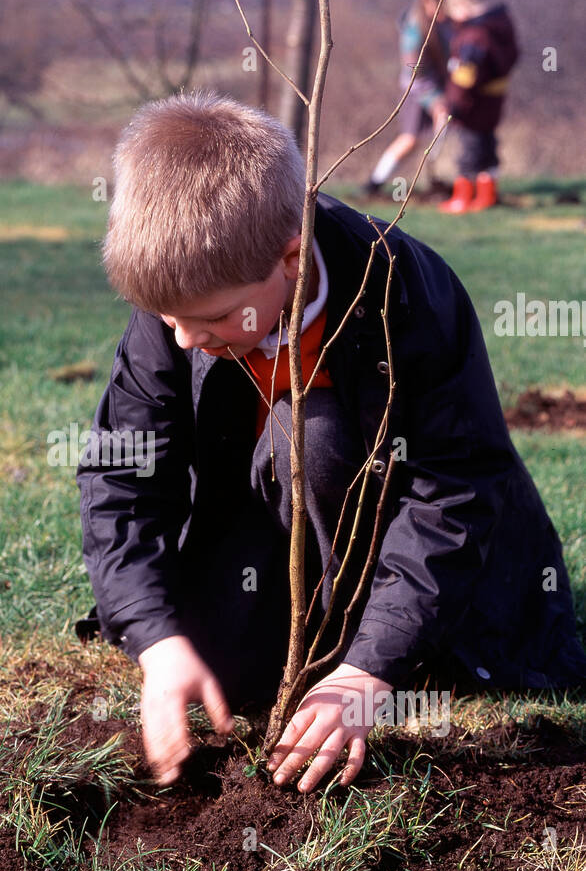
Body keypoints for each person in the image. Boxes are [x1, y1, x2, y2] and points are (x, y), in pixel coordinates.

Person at [75, 90, 586, 791]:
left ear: (291, 259)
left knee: (304, 436)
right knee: (220, 672)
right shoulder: (181, 309)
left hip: (380, 531)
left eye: (215, 318)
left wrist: (370, 668)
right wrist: (156, 640)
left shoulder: (406, 294)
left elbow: (456, 488)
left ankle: (356, 638)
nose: (186, 340)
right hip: (259, 535)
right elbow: (120, 474)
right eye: (168, 320)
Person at [362, 0, 450, 200]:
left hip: (439, 87)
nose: (446, 11)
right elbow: (415, 76)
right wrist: (435, 101)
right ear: (427, 1)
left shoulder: (441, 23)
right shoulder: (414, 31)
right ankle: (374, 184)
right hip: (416, 91)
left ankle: (434, 182)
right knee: (410, 139)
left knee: (441, 133)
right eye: (441, 6)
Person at [437, 0, 519, 213]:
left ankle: (464, 197)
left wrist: (455, 104)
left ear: (463, 6)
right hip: (493, 100)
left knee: (469, 149)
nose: (451, 18)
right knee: (487, 144)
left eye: (452, 11)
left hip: (472, 104)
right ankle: (488, 194)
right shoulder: (500, 25)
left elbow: (466, 75)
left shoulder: (474, 35)